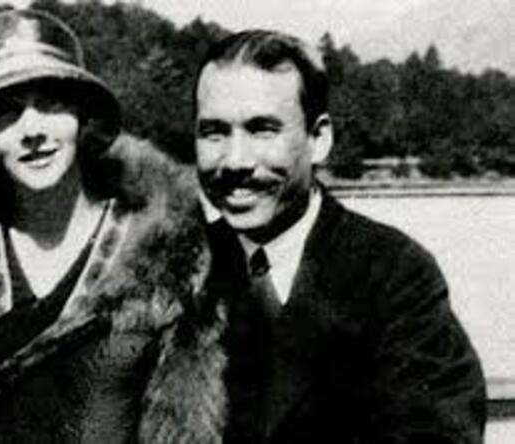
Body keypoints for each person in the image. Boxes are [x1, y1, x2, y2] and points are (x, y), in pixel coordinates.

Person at [0, 9, 229, 443]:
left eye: (51, 103)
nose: (32, 130)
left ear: (81, 116)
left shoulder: (160, 252)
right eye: (7, 112)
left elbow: (187, 418)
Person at [194, 30, 487, 443]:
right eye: (214, 132)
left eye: (263, 130)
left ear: (319, 139)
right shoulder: (175, 270)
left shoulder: (395, 274)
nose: (236, 161)